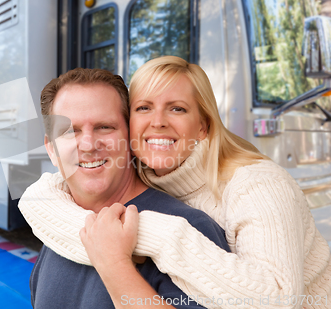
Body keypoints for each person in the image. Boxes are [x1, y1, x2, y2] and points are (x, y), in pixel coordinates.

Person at [19, 57, 331, 309]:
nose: (158, 122)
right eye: (144, 108)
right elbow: (45, 192)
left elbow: (276, 300)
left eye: (104, 126)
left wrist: (134, 246)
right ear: (50, 148)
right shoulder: (61, 221)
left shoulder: (252, 189)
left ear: (203, 127)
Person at [26, 68, 231, 309]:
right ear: (51, 149)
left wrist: (116, 265)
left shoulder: (190, 228)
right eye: (70, 131)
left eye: (105, 127)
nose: (89, 144)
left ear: (131, 138)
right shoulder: (57, 227)